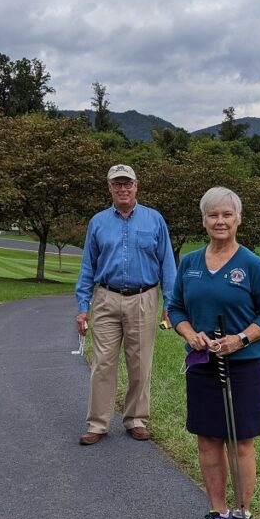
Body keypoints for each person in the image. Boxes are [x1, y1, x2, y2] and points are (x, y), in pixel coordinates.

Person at [167, 187, 260, 519]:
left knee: (240, 441)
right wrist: (189, 333)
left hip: (243, 365)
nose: (220, 221)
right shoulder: (190, 262)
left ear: (238, 220)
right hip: (203, 363)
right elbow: (175, 308)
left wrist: (241, 339)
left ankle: (242, 517)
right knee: (207, 439)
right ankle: (217, 511)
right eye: (213, 215)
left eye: (226, 215)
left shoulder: (251, 264)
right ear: (203, 220)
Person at [75, 163, 177, 445]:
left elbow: (167, 263)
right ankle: (97, 424)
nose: (122, 188)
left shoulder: (154, 220)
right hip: (106, 297)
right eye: (116, 184)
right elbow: (87, 267)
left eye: (127, 183)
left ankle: (136, 419)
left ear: (136, 186)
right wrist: (83, 305)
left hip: (144, 298)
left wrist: (172, 302)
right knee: (102, 363)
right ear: (109, 188)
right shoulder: (98, 222)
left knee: (140, 362)